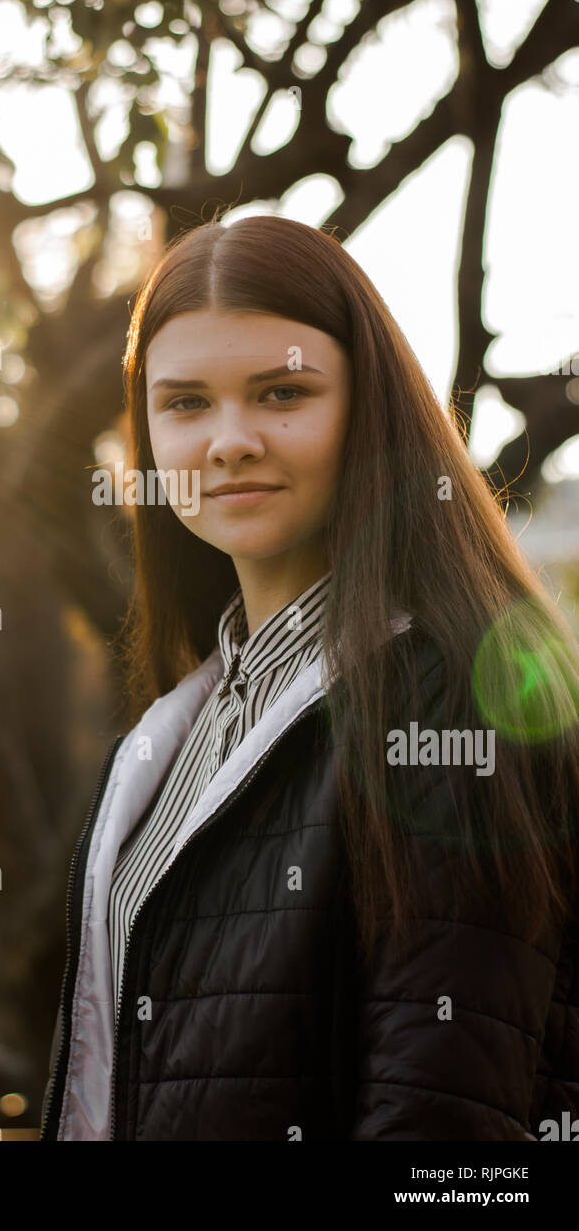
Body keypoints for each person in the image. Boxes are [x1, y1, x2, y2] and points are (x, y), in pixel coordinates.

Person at [39, 213, 579, 1141]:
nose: (230, 441)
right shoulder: (175, 732)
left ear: (367, 406)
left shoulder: (454, 699)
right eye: (185, 403)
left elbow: (442, 1132)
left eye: (282, 392)